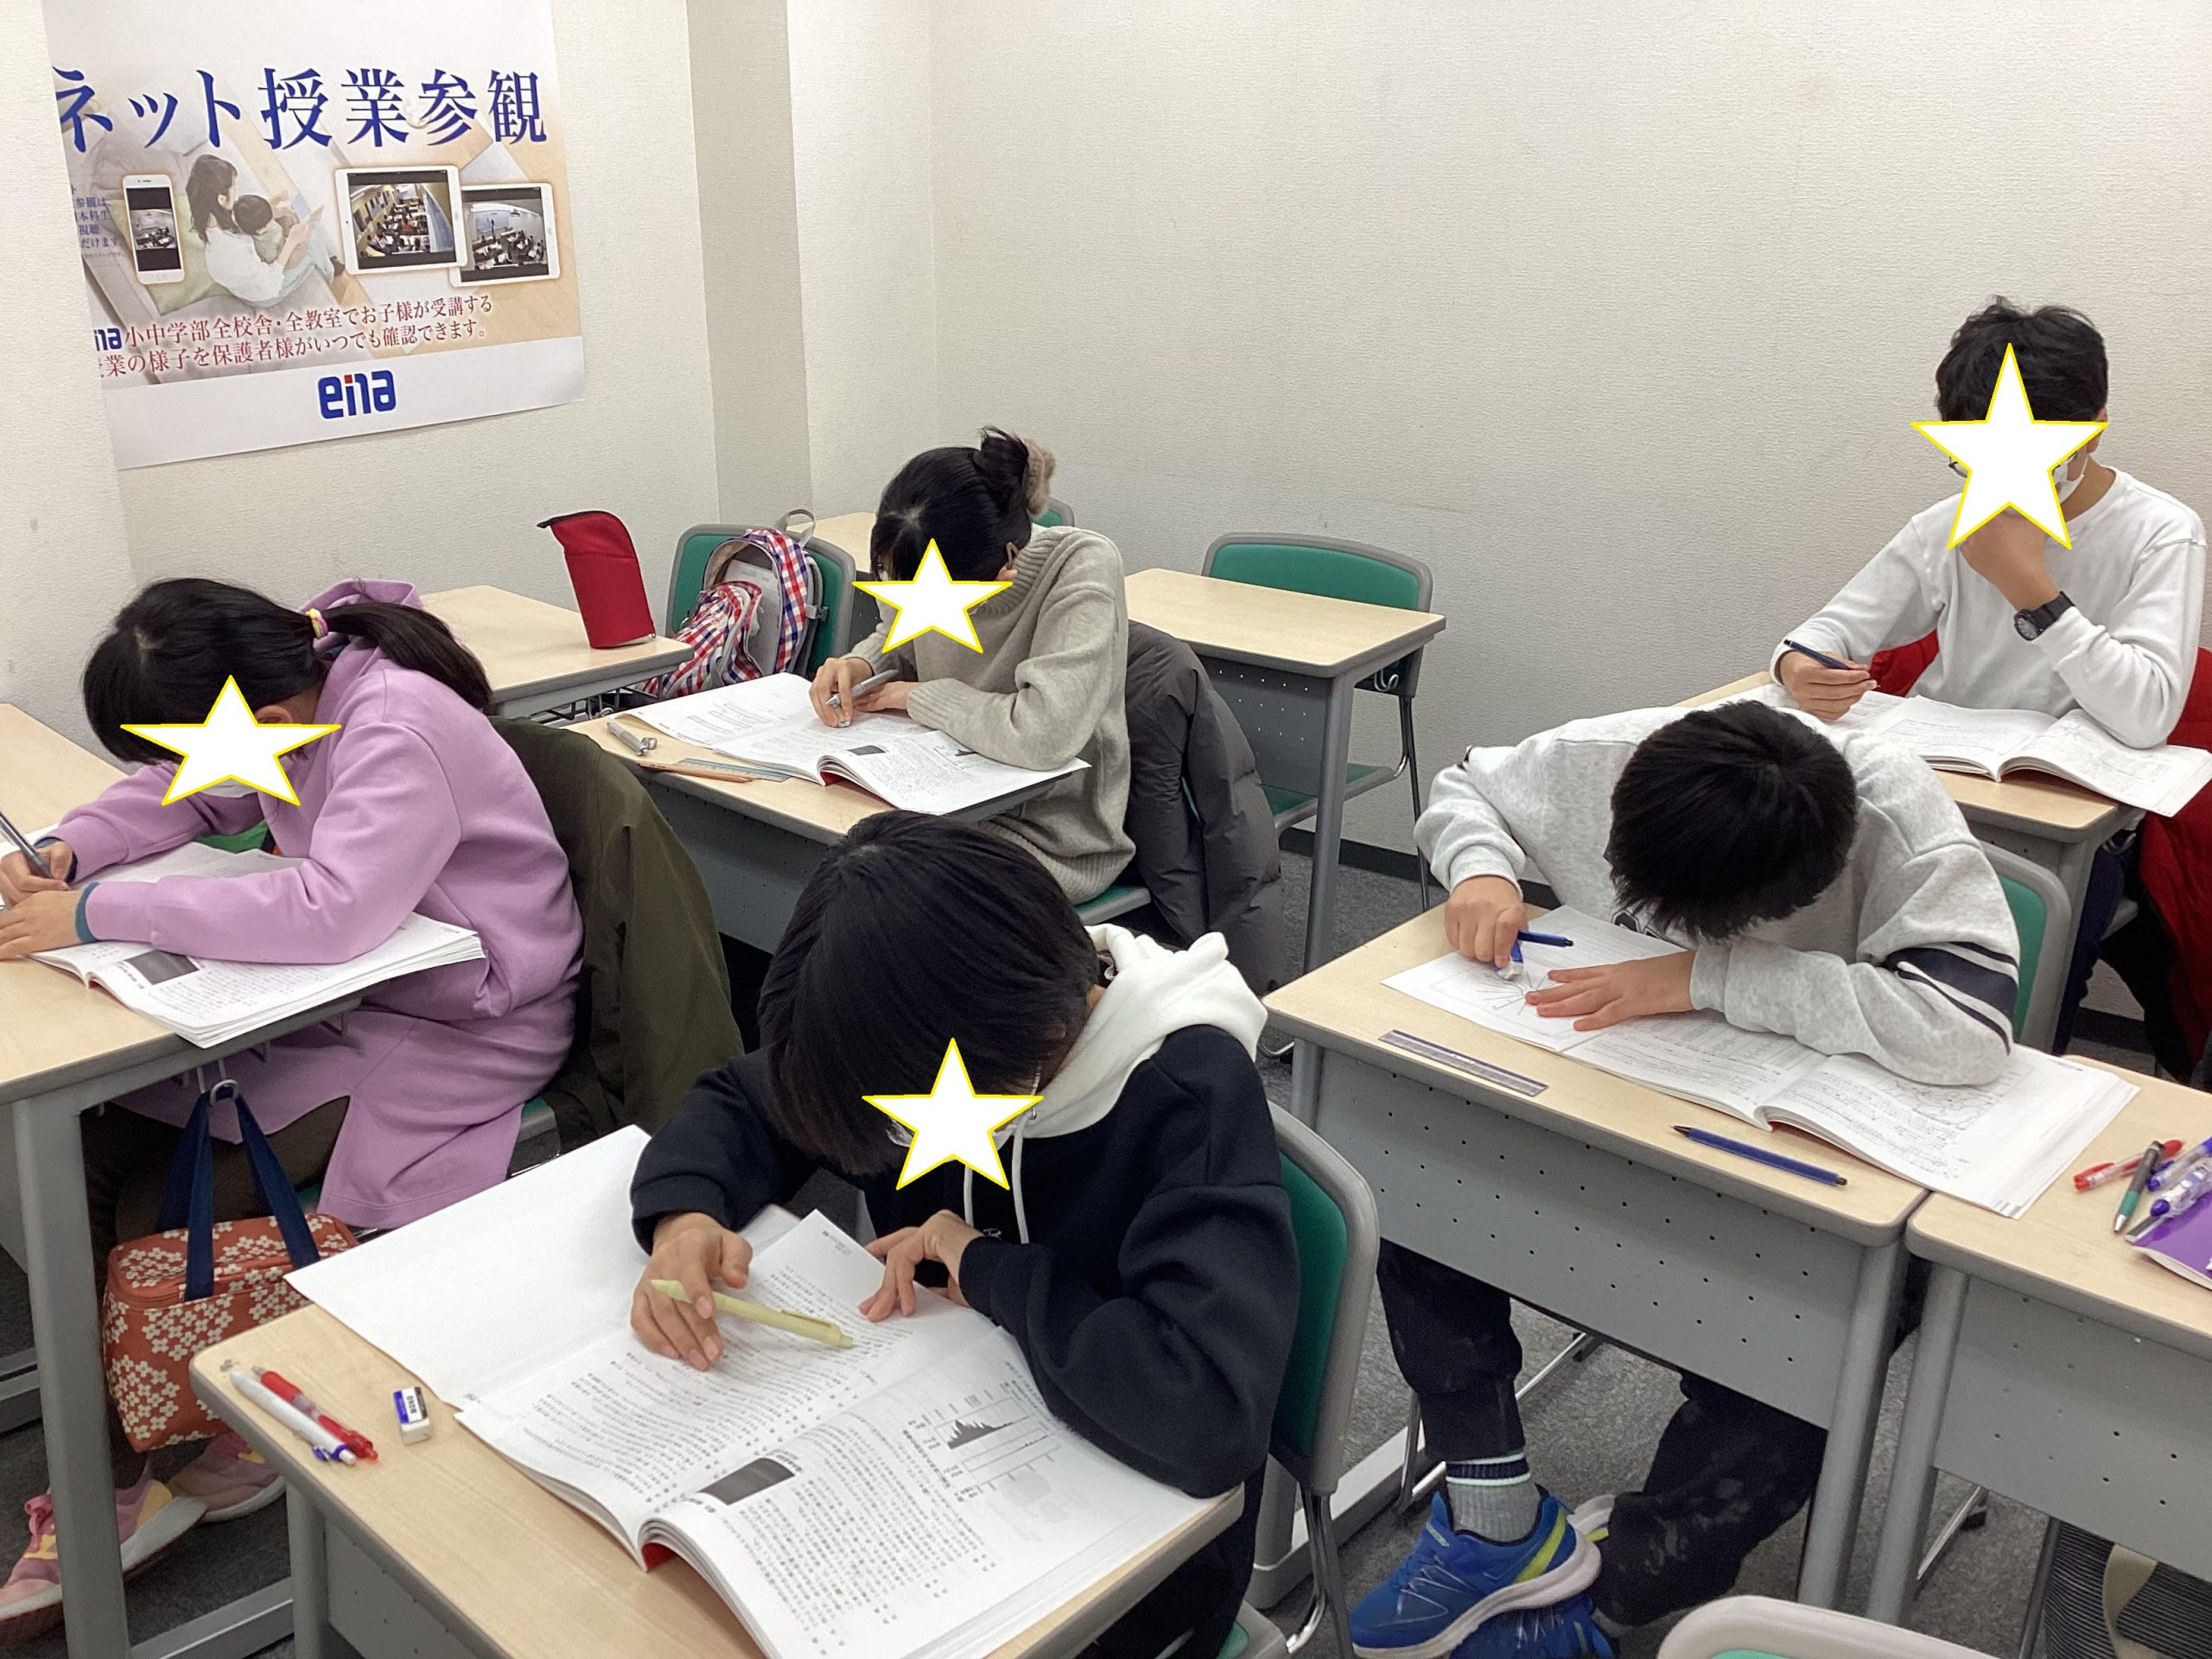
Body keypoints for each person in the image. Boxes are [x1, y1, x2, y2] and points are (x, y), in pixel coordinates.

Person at [1353, 699, 2018, 1655]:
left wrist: (1706, 978)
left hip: (1785, 1163)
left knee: (1821, 1341)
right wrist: (1482, 867)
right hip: (1612, 1094)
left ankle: (1615, 1592)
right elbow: (1466, 783)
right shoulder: (1606, 758)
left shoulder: (1896, 819)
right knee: (1416, 1165)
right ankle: (1495, 1516)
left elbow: (1972, 1027)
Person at [0, 578, 582, 1639]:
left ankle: (147, 1475)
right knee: (97, 1140)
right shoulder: (296, 691)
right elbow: (193, 789)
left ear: (262, 711)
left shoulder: (395, 729)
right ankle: (132, 1448)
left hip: (460, 1023)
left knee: (165, 1206)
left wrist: (97, 911)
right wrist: (79, 845)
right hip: (356, 995)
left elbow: (333, 909)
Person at [628, 812, 1295, 1659]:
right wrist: (686, 1213)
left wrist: (982, 1264)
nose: (902, 1137)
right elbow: (746, 1099)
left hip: (1135, 1558)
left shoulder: (1185, 1099)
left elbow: (1207, 1414)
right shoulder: (925, 1032)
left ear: (1035, 1049)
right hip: (940, 1470)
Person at [1776, 299, 2207, 1053]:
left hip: (2069, 824)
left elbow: (2145, 714)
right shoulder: (1947, 523)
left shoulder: (2162, 532)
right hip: (1932, 791)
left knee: (2009, 1006)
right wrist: (1798, 665)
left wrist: (2031, 588)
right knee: (1830, 938)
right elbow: (1824, 633)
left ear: (2095, 425)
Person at [808, 429, 1134, 904]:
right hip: (939, 800)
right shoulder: (928, 555)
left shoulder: (1081, 567)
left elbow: (1043, 734)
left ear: (1006, 561)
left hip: (1046, 839)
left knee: (875, 886)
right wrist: (862, 662)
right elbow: (902, 637)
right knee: (824, 846)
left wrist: (918, 696)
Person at [182, 154, 340, 306]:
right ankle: (329, 267)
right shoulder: (230, 251)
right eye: (234, 188)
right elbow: (270, 285)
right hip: (265, 289)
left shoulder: (211, 213)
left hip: (253, 259)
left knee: (287, 215)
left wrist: (275, 211)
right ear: (222, 199)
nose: (236, 193)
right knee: (314, 234)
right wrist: (291, 243)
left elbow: (247, 217)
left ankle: (320, 247)